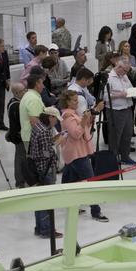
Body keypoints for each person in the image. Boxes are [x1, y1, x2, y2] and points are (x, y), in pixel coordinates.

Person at [59, 90, 108, 221]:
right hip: (76, 153)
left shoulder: (73, 114)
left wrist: (89, 118)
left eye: (77, 100)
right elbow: (76, 134)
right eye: (74, 100)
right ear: (67, 102)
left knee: (70, 181)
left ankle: (70, 203)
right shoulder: (68, 117)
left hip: (76, 152)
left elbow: (84, 127)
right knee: (90, 182)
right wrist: (84, 120)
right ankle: (96, 211)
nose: (77, 102)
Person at [27, 106, 62, 238]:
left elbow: (40, 147)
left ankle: (39, 228)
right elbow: (46, 153)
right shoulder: (45, 131)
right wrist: (58, 142)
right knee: (48, 201)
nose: (56, 122)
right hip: (45, 168)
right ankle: (47, 230)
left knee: (39, 200)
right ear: (50, 117)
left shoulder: (37, 127)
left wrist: (52, 140)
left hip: (38, 168)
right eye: (55, 119)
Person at [106, 57, 136, 166]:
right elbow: (105, 97)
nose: (125, 73)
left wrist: (132, 92)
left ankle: (125, 156)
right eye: (124, 70)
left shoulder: (124, 76)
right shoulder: (109, 77)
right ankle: (113, 158)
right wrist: (120, 94)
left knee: (127, 134)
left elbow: (130, 88)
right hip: (116, 110)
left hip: (127, 108)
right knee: (115, 136)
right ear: (119, 67)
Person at [5, 82, 29, 188]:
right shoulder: (17, 106)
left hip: (17, 135)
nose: (25, 92)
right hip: (19, 137)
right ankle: (20, 182)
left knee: (20, 158)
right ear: (16, 93)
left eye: (25, 89)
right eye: (22, 91)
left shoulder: (13, 102)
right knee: (20, 159)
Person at [19, 67, 48, 140]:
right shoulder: (33, 99)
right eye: (42, 83)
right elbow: (35, 121)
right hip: (34, 140)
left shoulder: (29, 95)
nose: (43, 86)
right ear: (37, 84)